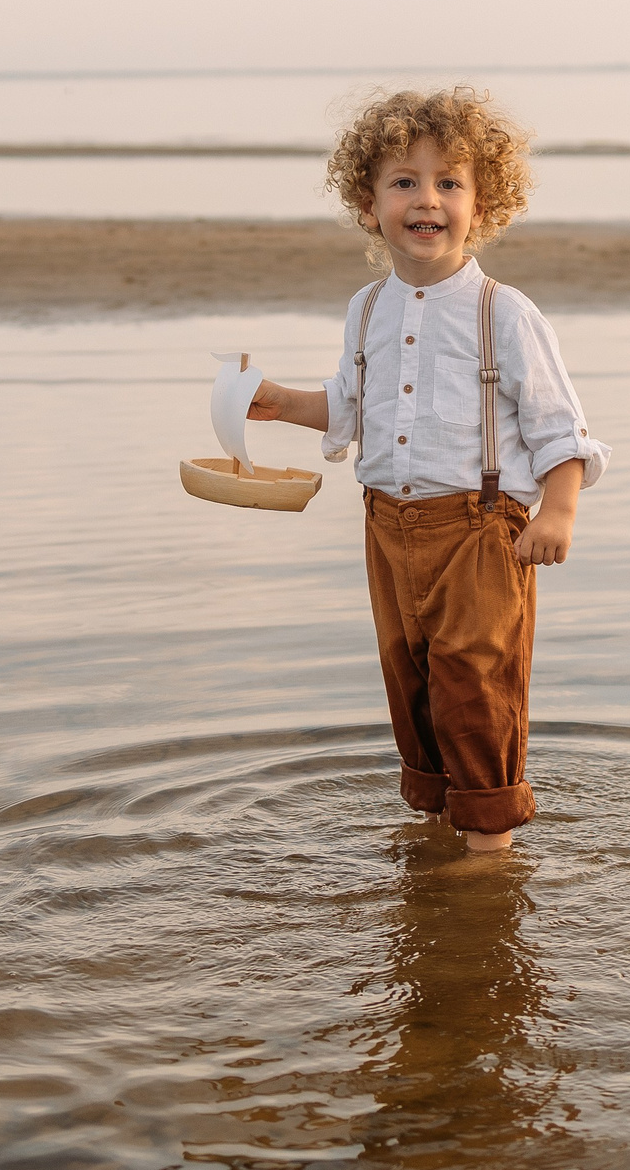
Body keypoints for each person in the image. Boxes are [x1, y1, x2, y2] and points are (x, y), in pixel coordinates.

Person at [248, 88, 609, 852]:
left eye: (450, 183)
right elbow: (351, 408)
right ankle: (444, 835)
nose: (428, 200)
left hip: (481, 534)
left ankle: (487, 860)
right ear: (368, 200)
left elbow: (560, 428)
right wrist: (283, 403)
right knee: (412, 681)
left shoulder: (503, 313)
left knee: (477, 688)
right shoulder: (367, 308)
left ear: (483, 205)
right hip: (388, 528)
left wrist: (558, 511)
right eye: (404, 181)